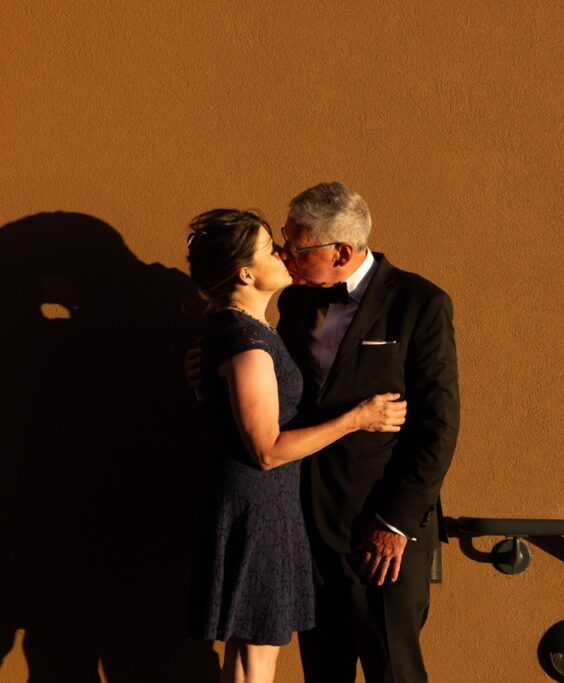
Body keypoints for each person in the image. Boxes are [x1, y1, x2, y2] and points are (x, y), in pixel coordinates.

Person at [188, 183, 459, 682]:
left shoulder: (420, 303)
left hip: (382, 536)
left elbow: (438, 427)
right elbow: (266, 390)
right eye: (281, 243)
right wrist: (208, 369)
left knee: (393, 671)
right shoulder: (289, 306)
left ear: (342, 252)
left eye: (296, 246)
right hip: (303, 526)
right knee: (320, 672)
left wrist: (395, 524)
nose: (286, 255)